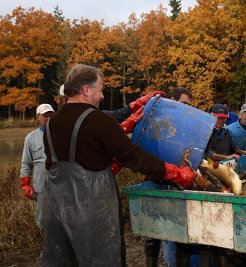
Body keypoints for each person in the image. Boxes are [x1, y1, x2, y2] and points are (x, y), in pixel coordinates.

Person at [41, 64, 197, 266]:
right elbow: (136, 157)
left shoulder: (52, 122)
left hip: (57, 211)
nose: (102, 96)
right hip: (92, 213)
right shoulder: (97, 119)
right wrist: (177, 173)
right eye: (101, 90)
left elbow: (81, 154)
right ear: (86, 90)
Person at [145, 86, 193, 267]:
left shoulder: (188, 125)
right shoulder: (156, 121)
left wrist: (185, 164)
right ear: (172, 100)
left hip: (177, 183)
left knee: (179, 228)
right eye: (183, 103)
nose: (186, 108)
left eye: (189, 105)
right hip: (155, 180)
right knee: (152, 231)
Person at [20, 104, 55, 229]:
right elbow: (26, 163)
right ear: (37, 117)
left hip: (62, 185)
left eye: (51, 115)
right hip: (41, 185)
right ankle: (46, 246)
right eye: (45, 115)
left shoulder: (62, 134)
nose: (49, 118)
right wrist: (25, 183)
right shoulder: (30, 138)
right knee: (43, 219)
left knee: (64, 218)